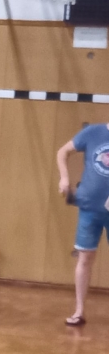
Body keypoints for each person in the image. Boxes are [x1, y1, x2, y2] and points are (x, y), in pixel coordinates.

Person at [56, 124, 109, 326]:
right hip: (89, 208)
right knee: (85, 258)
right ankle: (79, 311)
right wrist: (64, 178)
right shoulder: (93, 132)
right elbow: (63, 152)